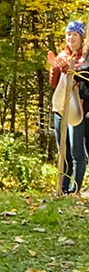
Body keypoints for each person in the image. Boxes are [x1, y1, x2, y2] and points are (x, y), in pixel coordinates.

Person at [49, 20, 87, 195]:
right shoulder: (61, 55)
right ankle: (62, 187)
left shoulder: (85, 58)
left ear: (81, 37)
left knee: (75, 151)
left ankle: (75, 189)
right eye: (68, 34)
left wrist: (70, 70)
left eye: (75, 34)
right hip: (60, 108)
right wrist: (55, 68)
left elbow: (82, 78)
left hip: (76, 109)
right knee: (62, 150)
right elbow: (54, 84)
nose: (71, 38)